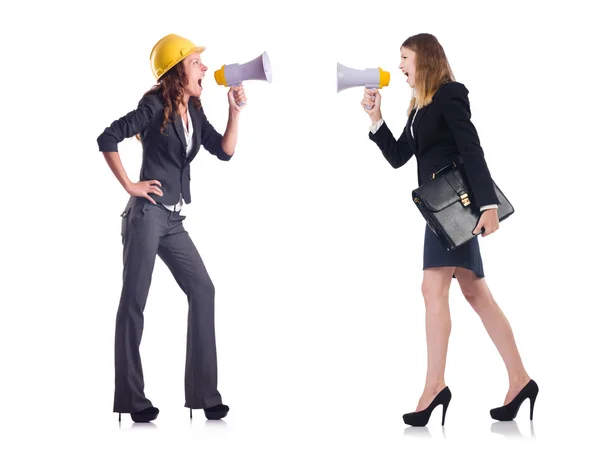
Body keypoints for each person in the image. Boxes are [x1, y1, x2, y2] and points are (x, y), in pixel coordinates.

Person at [363, 33, 538, 426]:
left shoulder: (449, 94)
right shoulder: (419, 107)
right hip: (441, 214)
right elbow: (399, 158)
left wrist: (489, 206)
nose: (399, 67)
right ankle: (520, 380)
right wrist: (376, 120)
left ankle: (434, 387)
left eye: (404, 58)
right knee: (476, 293)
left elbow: (471, 147)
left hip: (457, 211)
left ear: (424, 58)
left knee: (433, 288)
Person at [97, 33, 246, 423]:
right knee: (134, 303)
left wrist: (235, 112)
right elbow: (107, 137)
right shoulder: (152, 105)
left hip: (173, 221)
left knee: (203, 288)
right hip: (146, 217)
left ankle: (204, 395)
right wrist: (131, 185)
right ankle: (132, 400)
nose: (205, 68)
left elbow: (225, 151)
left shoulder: (193, 109)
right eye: (197, 62)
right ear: (178, 69)